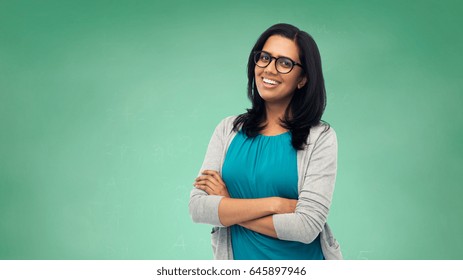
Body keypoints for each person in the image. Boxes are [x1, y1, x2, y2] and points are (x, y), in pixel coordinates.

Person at [189, 23, 342, 260]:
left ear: (302, 79)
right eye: (265, 58)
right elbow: (198, 208)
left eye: (284, 63)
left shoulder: (320, 138)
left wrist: (229, 205)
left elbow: (306, 227)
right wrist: (276, 204)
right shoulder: (227, 130)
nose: (269, 69)